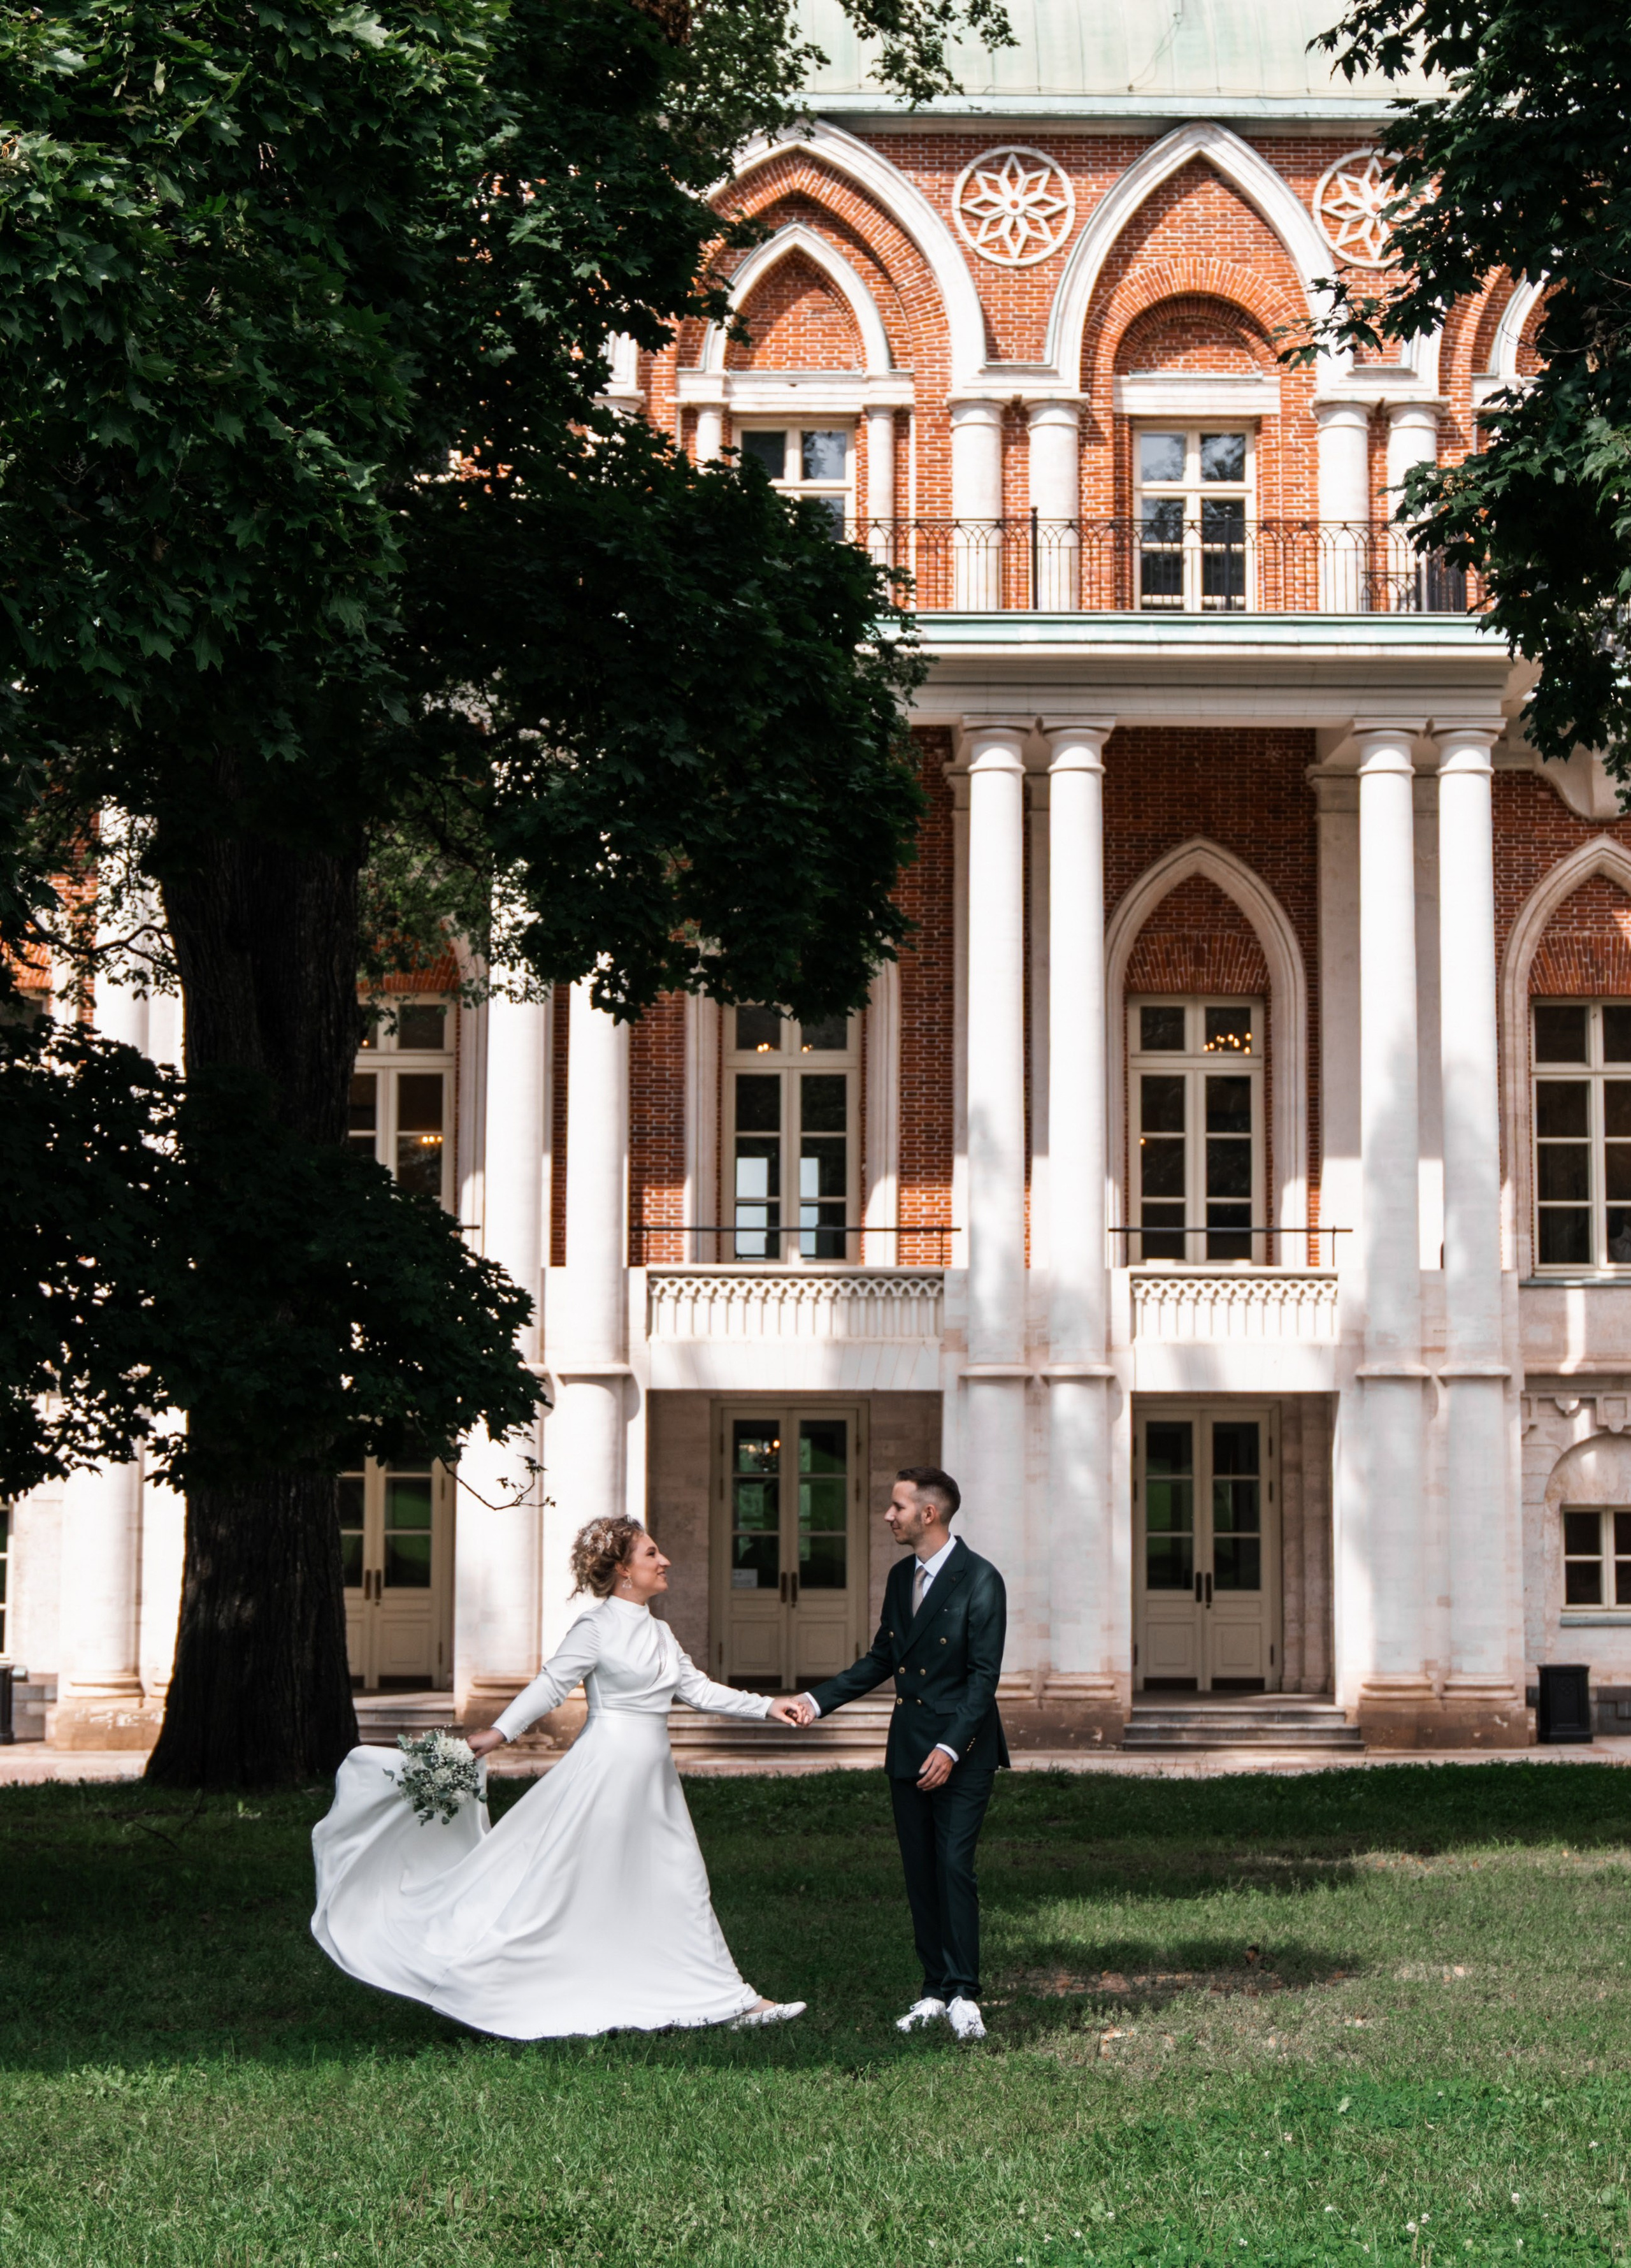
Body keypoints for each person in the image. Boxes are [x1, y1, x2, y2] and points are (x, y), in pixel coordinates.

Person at [311, 1517, 807, 2039]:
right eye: (651, 1554)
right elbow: (551, 1686)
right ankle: (504, 1983)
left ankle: (726, 1999)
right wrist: (497, 1734)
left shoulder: (660, 1632)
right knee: (570, 1883)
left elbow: (699, 1690)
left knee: (680, 1879)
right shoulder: (594, 1628)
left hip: (653, 1779)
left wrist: (768, 1705)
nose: (665, 1562)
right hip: (605, 1771)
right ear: (623, 1571)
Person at [792, 1466, 1007, 2042]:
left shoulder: (981, 1578)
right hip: (909, 1746)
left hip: (963, 1750)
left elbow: (983, 1680)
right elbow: (882, 1658)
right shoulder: (898, 1576)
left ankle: (965, 1991)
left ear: (928, 1514)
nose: (889, 1515)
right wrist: (816, 1699)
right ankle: (934, 1988)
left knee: (953, 1867)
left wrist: (951, 1748)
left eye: (898, 1507)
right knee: (919, 1872)